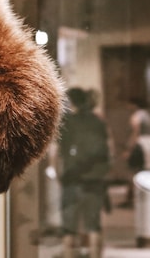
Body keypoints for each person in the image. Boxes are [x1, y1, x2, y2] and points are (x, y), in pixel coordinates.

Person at [58, 87, 110, 258]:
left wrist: (58, 172)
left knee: (69, 226)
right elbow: (108, 150)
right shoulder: (98, 122)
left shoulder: (67, 123)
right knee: (93, 224)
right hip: (94, 178)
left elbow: (57, 152)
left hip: (72, 177)